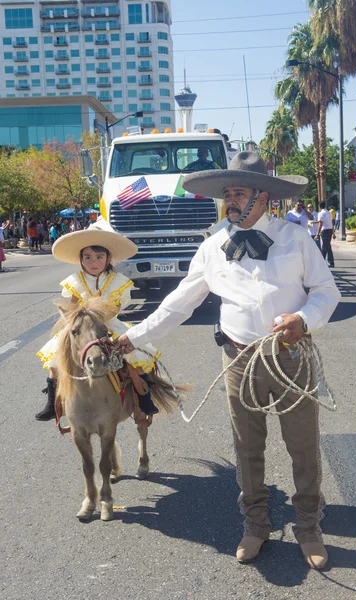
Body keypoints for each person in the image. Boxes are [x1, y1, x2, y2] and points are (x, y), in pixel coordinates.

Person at [116, 152, 340, 569]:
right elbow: (178, 304)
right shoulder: (213, 246)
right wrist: (131, 338)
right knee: (247, 447)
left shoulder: (296, 239)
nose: (230, 201)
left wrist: (304, 319)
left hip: (290, 356)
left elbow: (326, 291)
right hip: (238, 359)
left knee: (303, 446)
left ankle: (309, 527)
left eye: (238, 193)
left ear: (263, 196)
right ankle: (255, 525)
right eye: (227, 194)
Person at [35, 227, 161, 421]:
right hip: (83, 327)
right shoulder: (75, 281)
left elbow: (114, 309)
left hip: (108, 325)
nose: (93, 262)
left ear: (108, 258)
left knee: (134, 358)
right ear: (80, 259)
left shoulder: (118, 281)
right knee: (55, 359)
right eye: (87, 257)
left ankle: (144, 398)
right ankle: (53, 403)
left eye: (99, 257)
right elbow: (73, 308)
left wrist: (95, 313)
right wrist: (76, 320)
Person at [315, 201, 336, 268]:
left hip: (324, 231)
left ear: (319, 206)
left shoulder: (320, 213)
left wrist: (317, 234)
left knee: (327, 247)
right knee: (324, 247)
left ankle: (331, 262)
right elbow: (331, 223)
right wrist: (333, 233)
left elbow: (320, 224)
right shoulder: (329, 213)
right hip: (329, 230)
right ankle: (321, 261)